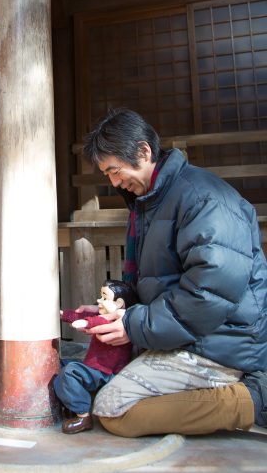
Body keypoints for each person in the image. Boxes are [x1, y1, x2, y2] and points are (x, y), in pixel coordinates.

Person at [75, 108, 267, 437]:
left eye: (116, 170)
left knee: (113, 409)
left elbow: (207, 296)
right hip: (187, 335)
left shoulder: (203, 198)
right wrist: (116, 310)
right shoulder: (152, 201)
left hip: (221, 343)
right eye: (108, 174)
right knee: (92, 382)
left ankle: (252, 398)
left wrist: (132, 326)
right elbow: (159, 286)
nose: (115, 182)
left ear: (144, 151)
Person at [55, 280, 139, 434]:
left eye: (105, 298)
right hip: (93, 367)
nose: (99, 301)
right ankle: (70, 407)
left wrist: (86, 323)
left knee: (69, 372)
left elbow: (96, 321)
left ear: (119, 303)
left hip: (105, 373)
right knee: (59, 364)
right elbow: (87, 314)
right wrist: (63, 314)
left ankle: (83, 415)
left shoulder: (117, 320)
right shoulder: (105, 314)